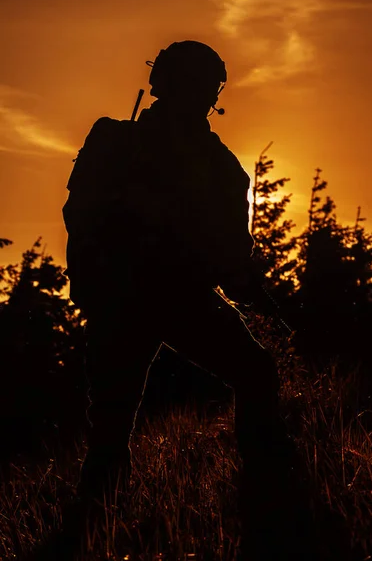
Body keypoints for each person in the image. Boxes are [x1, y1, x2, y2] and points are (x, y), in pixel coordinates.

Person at [38, 41, 311, 560]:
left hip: (136, 299)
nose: (203, 95)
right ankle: (266, 497)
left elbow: (82, 213)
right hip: (151, 298)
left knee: (115, 422)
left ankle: (91, 533)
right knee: (246, 376)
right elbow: (228, 258)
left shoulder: (131, 145)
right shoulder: (197, 160)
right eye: (201, 84)